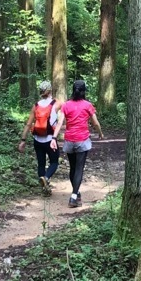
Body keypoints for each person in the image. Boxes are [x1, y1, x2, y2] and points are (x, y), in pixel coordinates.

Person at [52, 79, 105, 208]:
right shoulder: (88, 105)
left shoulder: (66, 105)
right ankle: (74, 196)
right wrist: (100, 133)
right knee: (79, 169)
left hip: (69, 140)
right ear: (84, 91)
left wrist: (54, 138)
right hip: (82, 140)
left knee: (73, 168)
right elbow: (95, 123)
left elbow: (59, 123)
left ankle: (76, 193)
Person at [18, 80, 60, 194]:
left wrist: (23, 140)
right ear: (50, 90)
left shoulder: (36, 105)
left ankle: (44, 188)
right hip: (50, 139)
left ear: (40, 92)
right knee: (54, 162)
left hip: (37, 140)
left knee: (41, 163)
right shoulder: (56, 103)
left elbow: (28, 124)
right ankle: (46, 178)